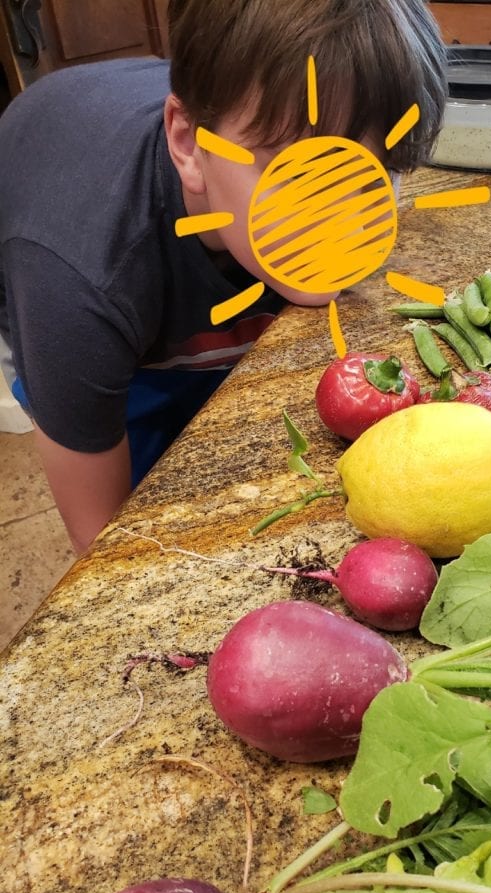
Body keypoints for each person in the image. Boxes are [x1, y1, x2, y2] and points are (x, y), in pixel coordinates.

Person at [0, 0, 446, 553]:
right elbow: (103, 553)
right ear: (188, 144)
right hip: (69, 238)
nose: (344, 220)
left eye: (376, 172)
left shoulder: (261, 156)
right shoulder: (79, 287)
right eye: (297, 172)